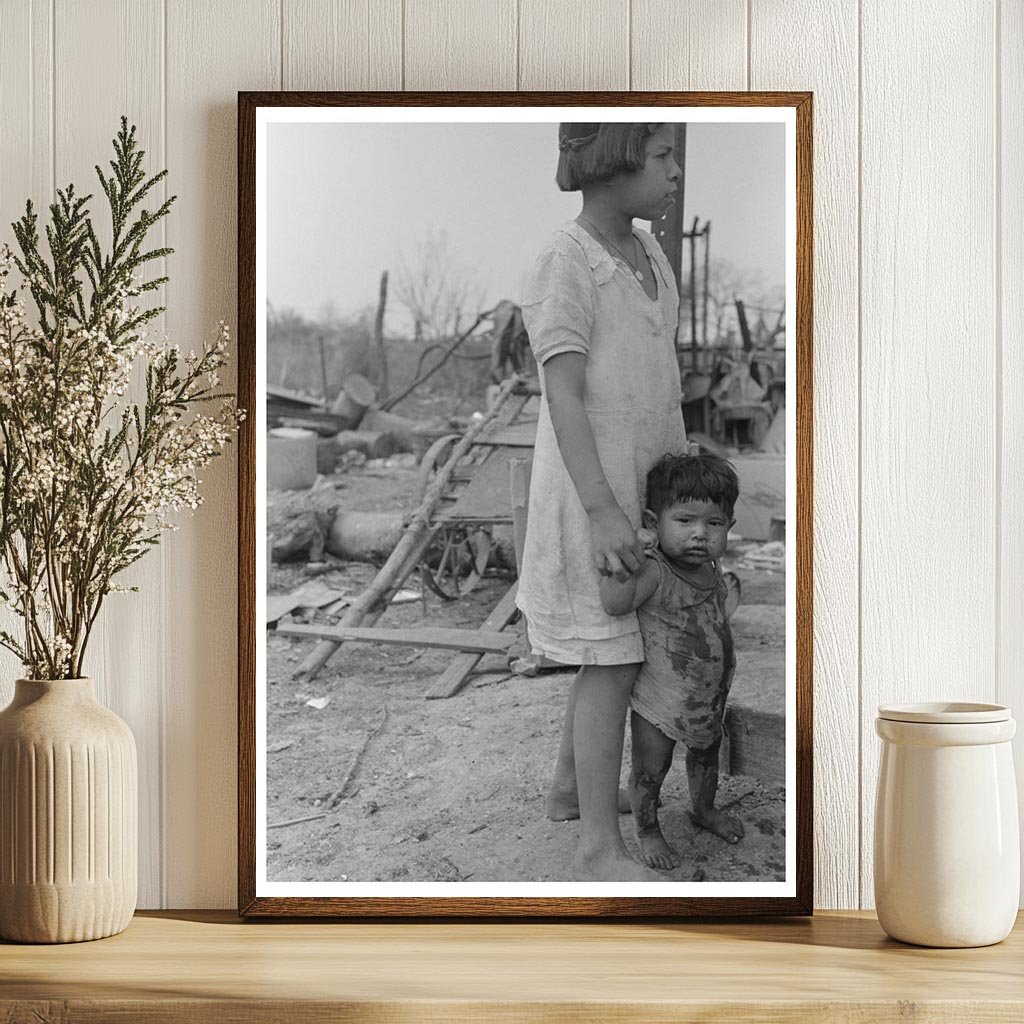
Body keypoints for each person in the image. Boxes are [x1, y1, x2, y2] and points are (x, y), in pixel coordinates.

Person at [516, 122, 685, 881]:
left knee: (615, 650)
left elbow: (657, 378)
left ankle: (566, 790)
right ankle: (597, 848)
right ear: (615, 162)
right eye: (662, 156)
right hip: (597, 490)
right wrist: (604, 510)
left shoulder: (648, 253)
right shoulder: (567, 260)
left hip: (647, 483)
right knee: (610, 658)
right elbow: (565, 394)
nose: (674, 172)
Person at [599, 452, 744, 871]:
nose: (700, 534)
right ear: (653, 522)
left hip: (706, 700)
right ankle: (647, 829)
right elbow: (615, 604)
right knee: (651, 769)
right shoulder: (655, 571)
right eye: (684, 521)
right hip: (660, 705)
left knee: (706, 757)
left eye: (714, 524)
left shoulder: (712, 568)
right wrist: (623, 567)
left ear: (729, 526)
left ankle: (703, 809)